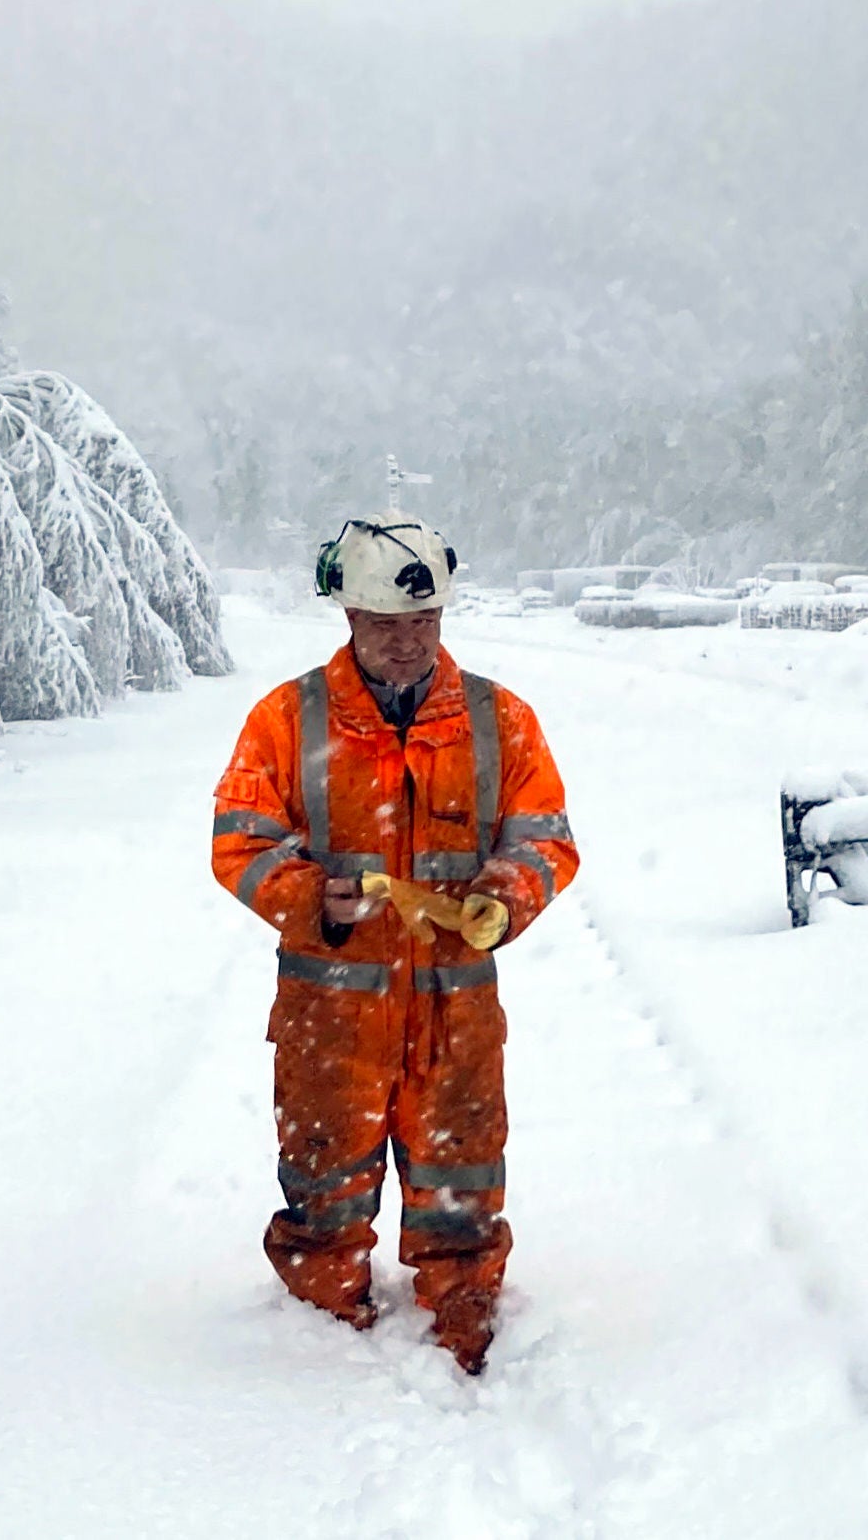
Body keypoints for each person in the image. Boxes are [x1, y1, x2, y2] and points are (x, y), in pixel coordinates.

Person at [210, 513, 578, 1375]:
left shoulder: (500, 720)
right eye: (387, 625)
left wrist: (505, 893)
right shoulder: (287, 720)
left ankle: (465, 1311)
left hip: (455, 1008)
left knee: (463, 1181)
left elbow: (545, 835)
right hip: (329, 1011)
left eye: (424, 623)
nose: (409, 642)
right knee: (321, 1187)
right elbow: (239, 837)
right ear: (349, 620)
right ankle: (319, 1341)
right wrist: (310, 897)